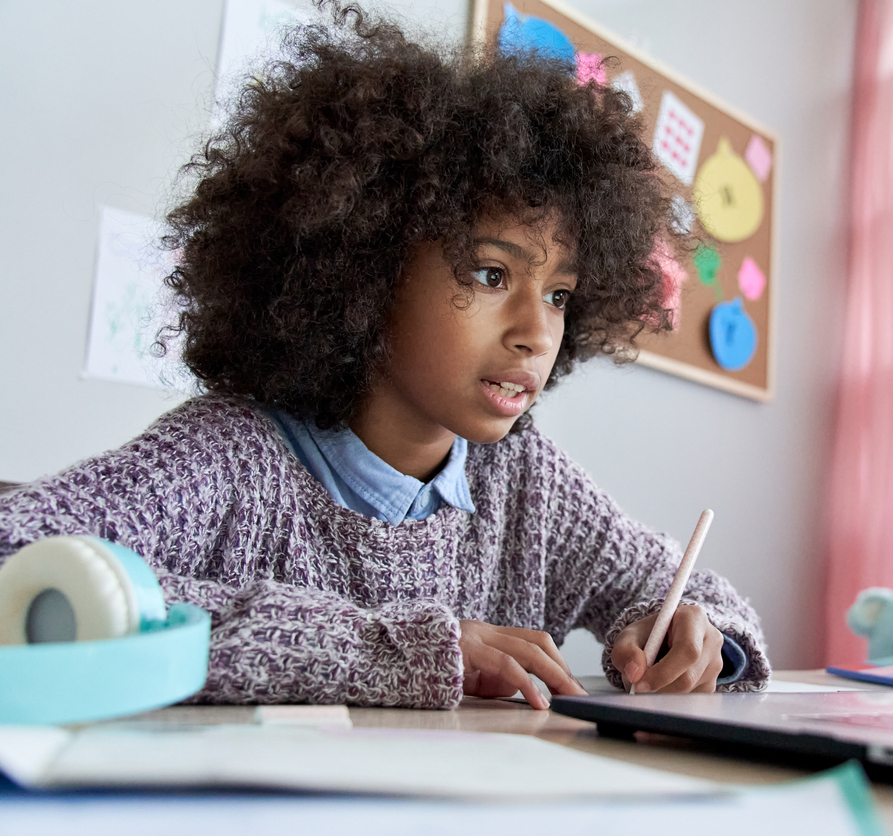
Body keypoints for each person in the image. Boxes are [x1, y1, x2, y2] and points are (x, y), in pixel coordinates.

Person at [0, 3, 769, 710]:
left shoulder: (523, 482)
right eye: (491, 274)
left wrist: (696, 636)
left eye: (561, 295)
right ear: (361, 269)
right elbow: (18, 558)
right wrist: (379, 650)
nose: (537, 331)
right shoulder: (232, 458)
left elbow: (682, 589)